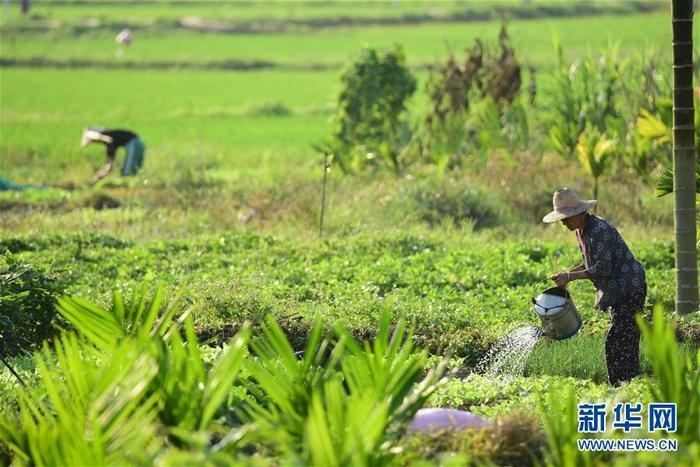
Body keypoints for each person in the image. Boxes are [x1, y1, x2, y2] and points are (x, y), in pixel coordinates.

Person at [542, 187, 646, 386]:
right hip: (618, 290)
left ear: (578, 214)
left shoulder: (599, 230)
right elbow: (590, 263)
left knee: (618, 341)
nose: (563, 222)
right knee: (625, 340)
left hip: (629, 288)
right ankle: (628, 384)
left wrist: (570, 277)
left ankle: (621, 386)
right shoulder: (581, 230)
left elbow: (603, 268)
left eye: (565, 218)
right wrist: (567, 274)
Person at [80, 127, 145, 184]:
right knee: (127, 173)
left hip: (135, 142)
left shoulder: (108, 136)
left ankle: (129, 188)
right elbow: (108, 167)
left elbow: (95, 135)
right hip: (137, 144)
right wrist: (94, 180)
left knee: (128, 173)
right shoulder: (111, 146)